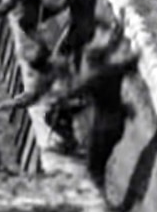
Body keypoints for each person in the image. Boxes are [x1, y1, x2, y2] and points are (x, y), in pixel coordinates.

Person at [55, 38, 140, 189]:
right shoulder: (114, 70)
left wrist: (63, 75)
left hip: (101, 128)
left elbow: (69, 94)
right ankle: (105, 196)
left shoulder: (92, 80)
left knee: (94, 168)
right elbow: (133, 61)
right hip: (118, 123)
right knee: (102, 164)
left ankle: (101, 201)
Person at [54, 0, 112, 73]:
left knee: (59, 53)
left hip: (75, 31)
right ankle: (76, 73)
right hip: (89, 31)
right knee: (78, 51)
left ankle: (64, 76)